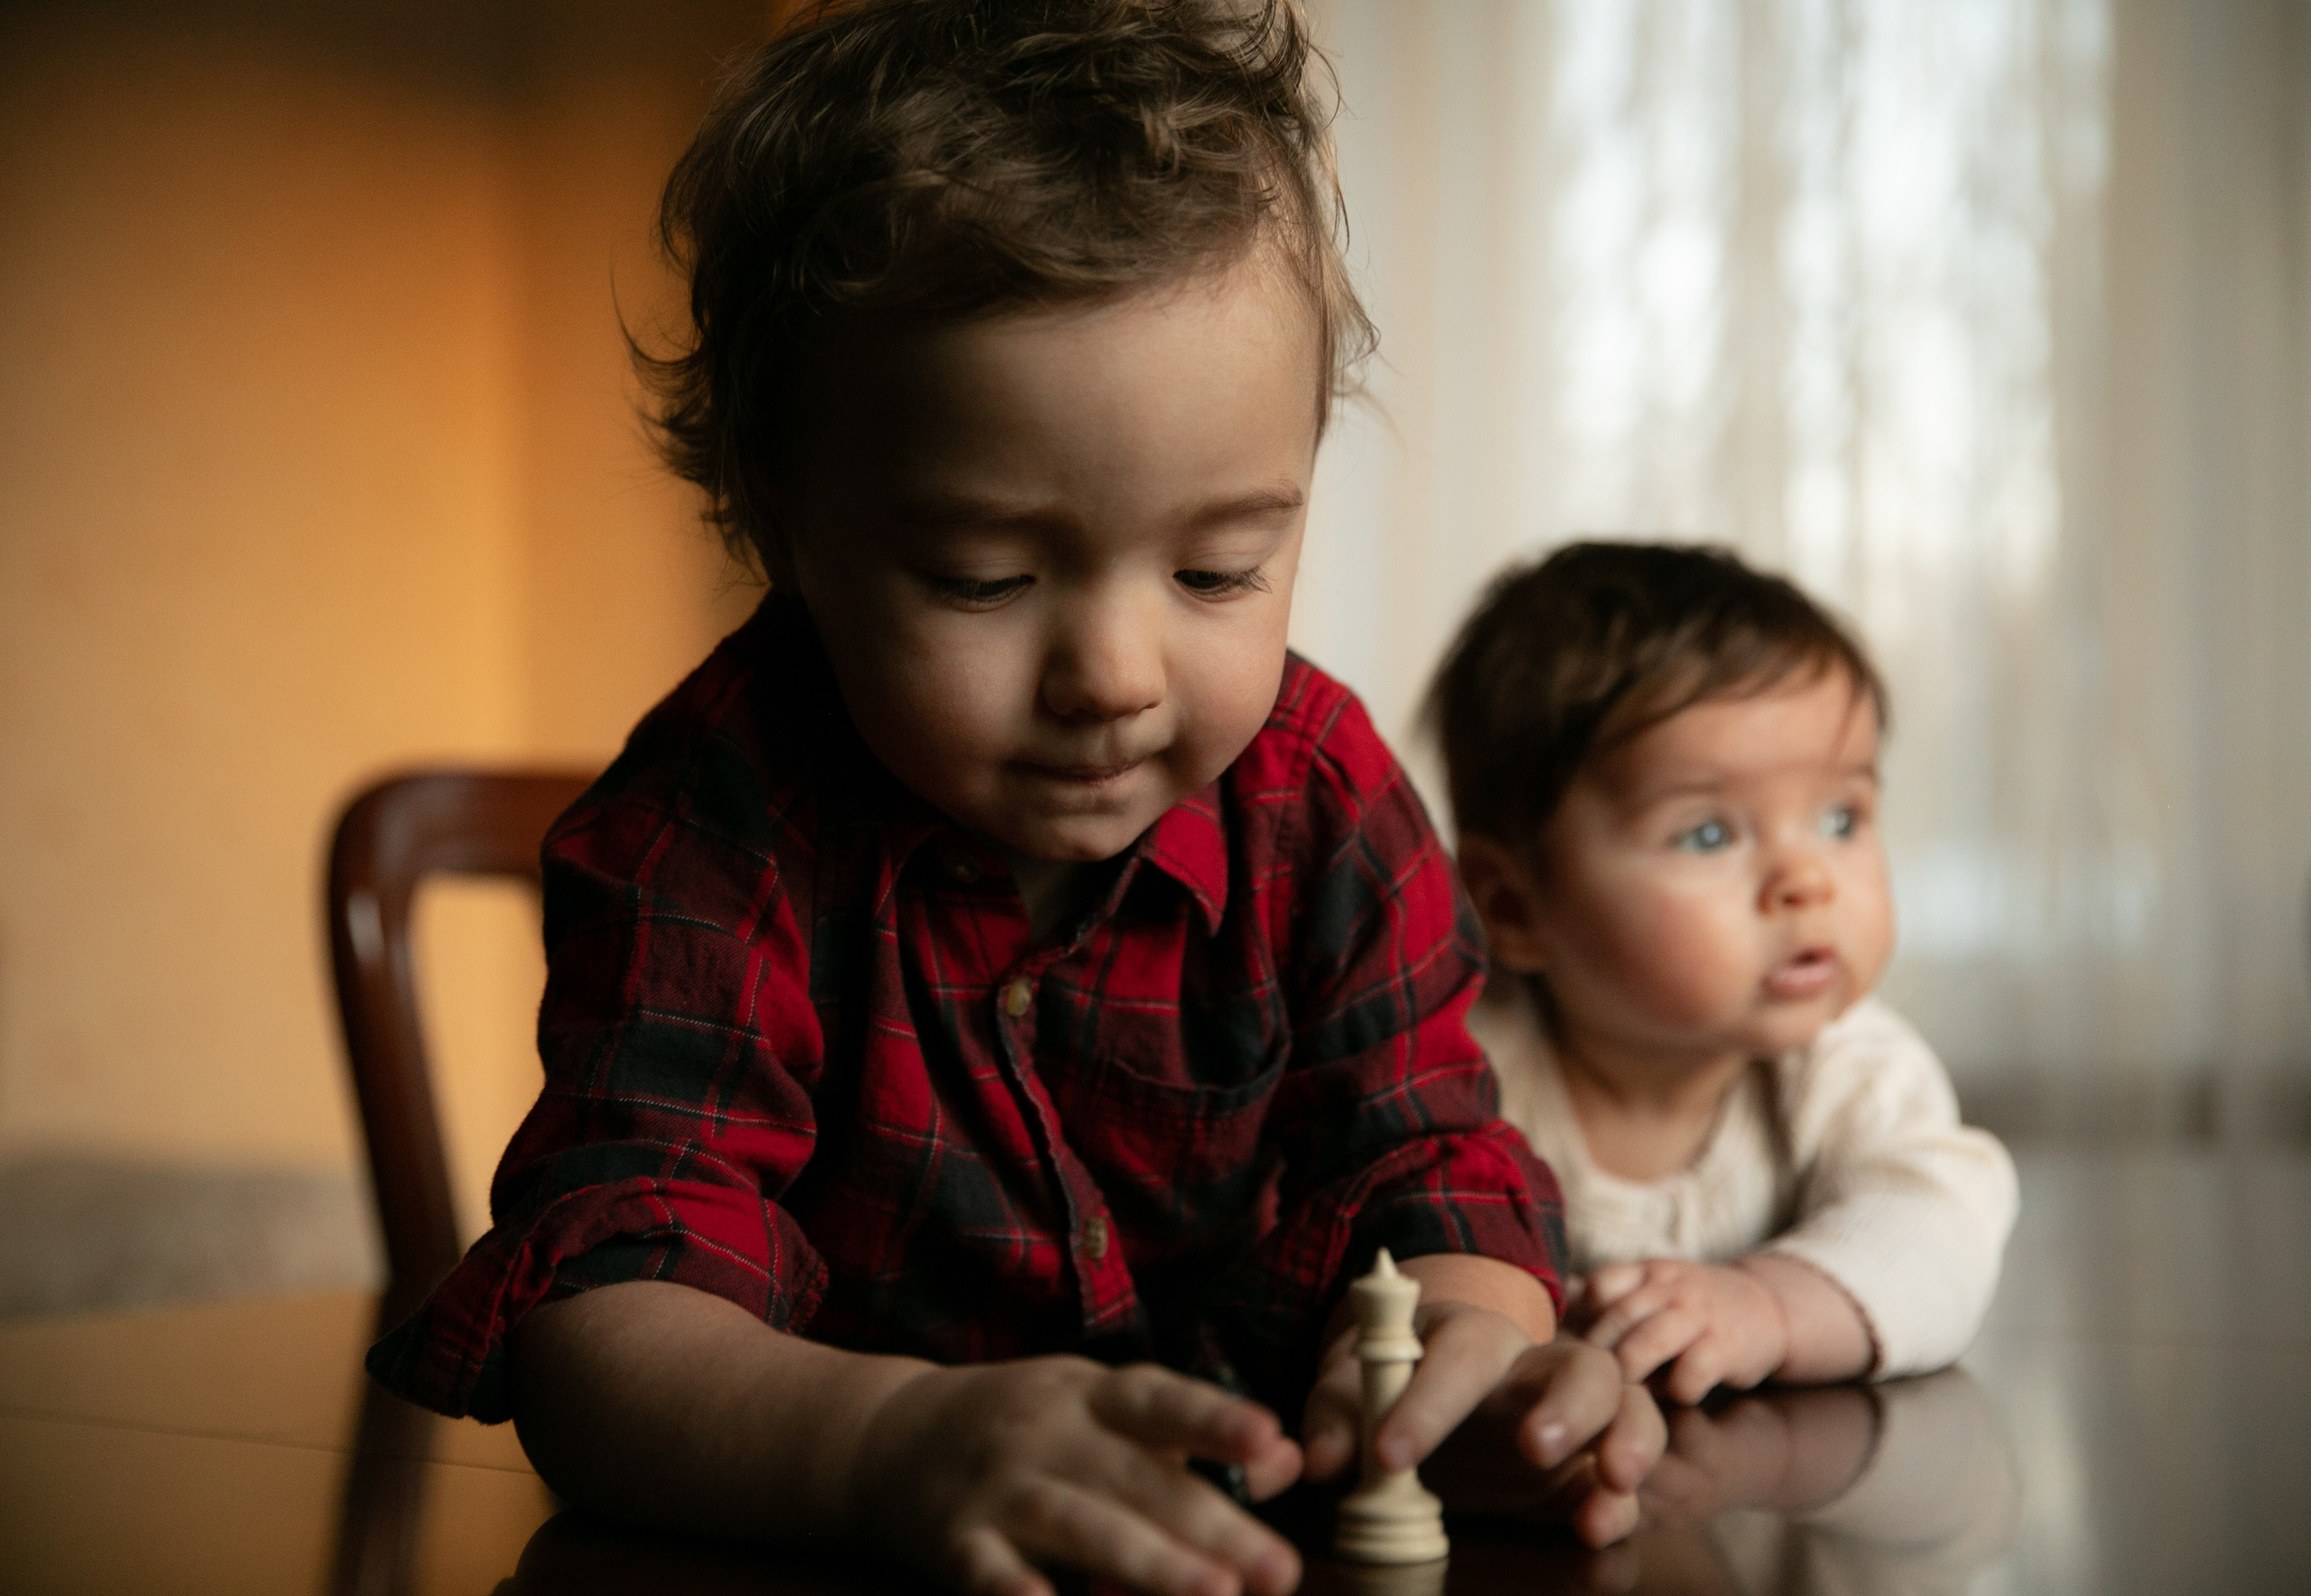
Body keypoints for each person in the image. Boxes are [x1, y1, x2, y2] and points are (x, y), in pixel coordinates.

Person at [366, 5, 1660, 1594]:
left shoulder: (1318, 795)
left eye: (1218, 569)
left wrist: (1471, 1357)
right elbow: (604, 1314)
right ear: (784, 524)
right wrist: (887, 1443)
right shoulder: (719, 820)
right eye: (983, 577)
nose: (1114, 675)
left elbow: (1429, 1160)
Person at [1426, 542, 2018, 1407]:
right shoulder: (1463, 1071)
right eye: (1709, 834)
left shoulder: (1848, 1068)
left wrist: (1769, 1307)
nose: (1806, 880)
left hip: (1780, 1468)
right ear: (1516, 908)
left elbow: (1939, 1236)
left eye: (1841, 817)